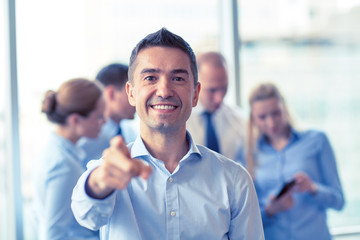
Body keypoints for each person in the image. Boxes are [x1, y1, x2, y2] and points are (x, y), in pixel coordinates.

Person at [71, 28, 264, 240]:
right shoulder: (109, 171)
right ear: (131, 93)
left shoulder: (235, 180)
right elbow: (86, 213)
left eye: (178, 79)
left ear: (195, 94)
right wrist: (99, 183)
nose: (164, 91)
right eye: (151, 78)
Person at [245, 82, 345, 240]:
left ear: (285, 108)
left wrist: (313, 188)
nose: (270, 122)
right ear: (253, 118)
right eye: (262, 117)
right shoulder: (247, 154)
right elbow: (244, 218)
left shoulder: (317, 141)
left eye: (276, 113)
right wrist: (270, 210)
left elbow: (339, 201)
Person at [32, 78, 105, 240]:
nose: (104, 122)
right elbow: (54, 235)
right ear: (75, 120)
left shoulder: (51, 150)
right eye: (99, 116)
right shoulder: (64, 165)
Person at [186, 51, 246, 164]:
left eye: (224, 88)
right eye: (212, 90)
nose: (219, 98)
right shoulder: (179, 121)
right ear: (194, 84)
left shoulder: (239, 120)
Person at [77, 63, 137, 166]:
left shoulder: (130, 132)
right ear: (111, 93)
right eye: (130, 91)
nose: (136, 98)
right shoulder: (87, 138)